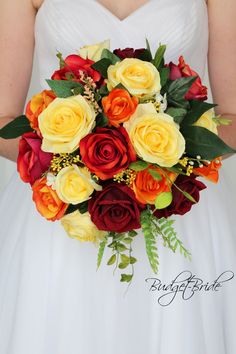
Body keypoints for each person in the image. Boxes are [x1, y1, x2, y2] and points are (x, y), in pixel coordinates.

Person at [0, 0, 236, 353]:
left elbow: (232, 115)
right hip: (62, 218)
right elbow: (4, 119)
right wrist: (77, 164)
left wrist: (165, 161)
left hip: (181, 211)